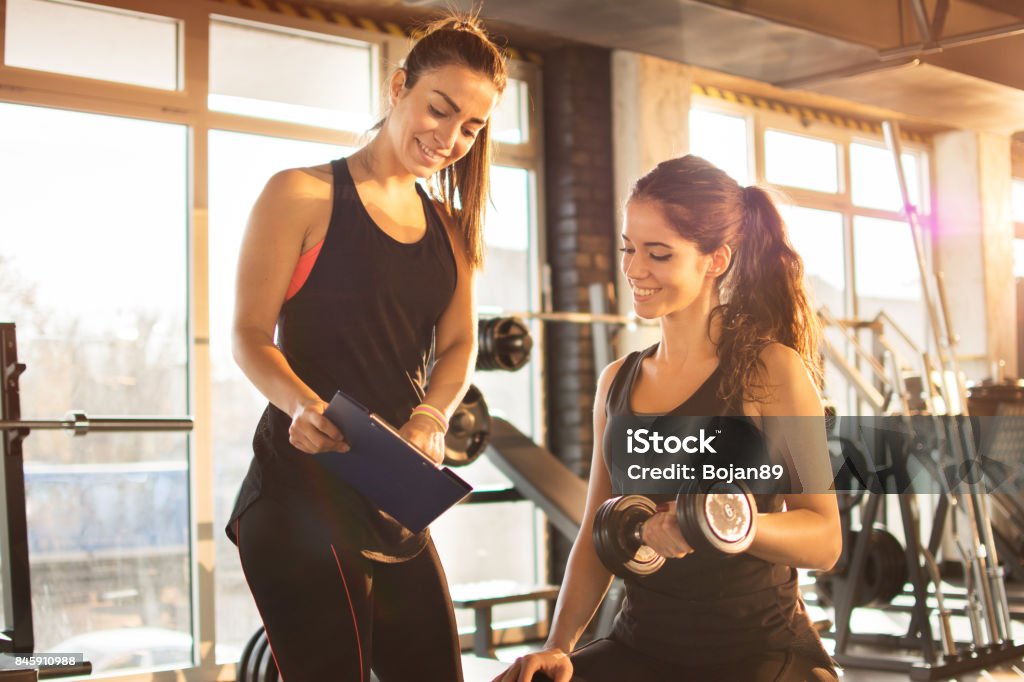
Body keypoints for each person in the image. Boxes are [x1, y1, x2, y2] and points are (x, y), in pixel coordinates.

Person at [225, 16, 507, 682]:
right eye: (440, 109)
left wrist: (432, 417)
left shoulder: (451, 227)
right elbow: (247, 336)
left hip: (390, 492)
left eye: (471, 127)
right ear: (398, 86)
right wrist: (300, 405)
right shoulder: (300, 194)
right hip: (299, 488)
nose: (450, 137)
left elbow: (459, 344)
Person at [496, 155, 842, 682]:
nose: (634, 269)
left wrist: (718, 522)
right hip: (644, 648)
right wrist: (557, 646)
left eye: (658, 254)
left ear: (716, 260)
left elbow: (824, 538)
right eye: (628, 249)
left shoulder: (770, 370)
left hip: (756, 652)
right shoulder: (617, 382)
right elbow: (596, 531)